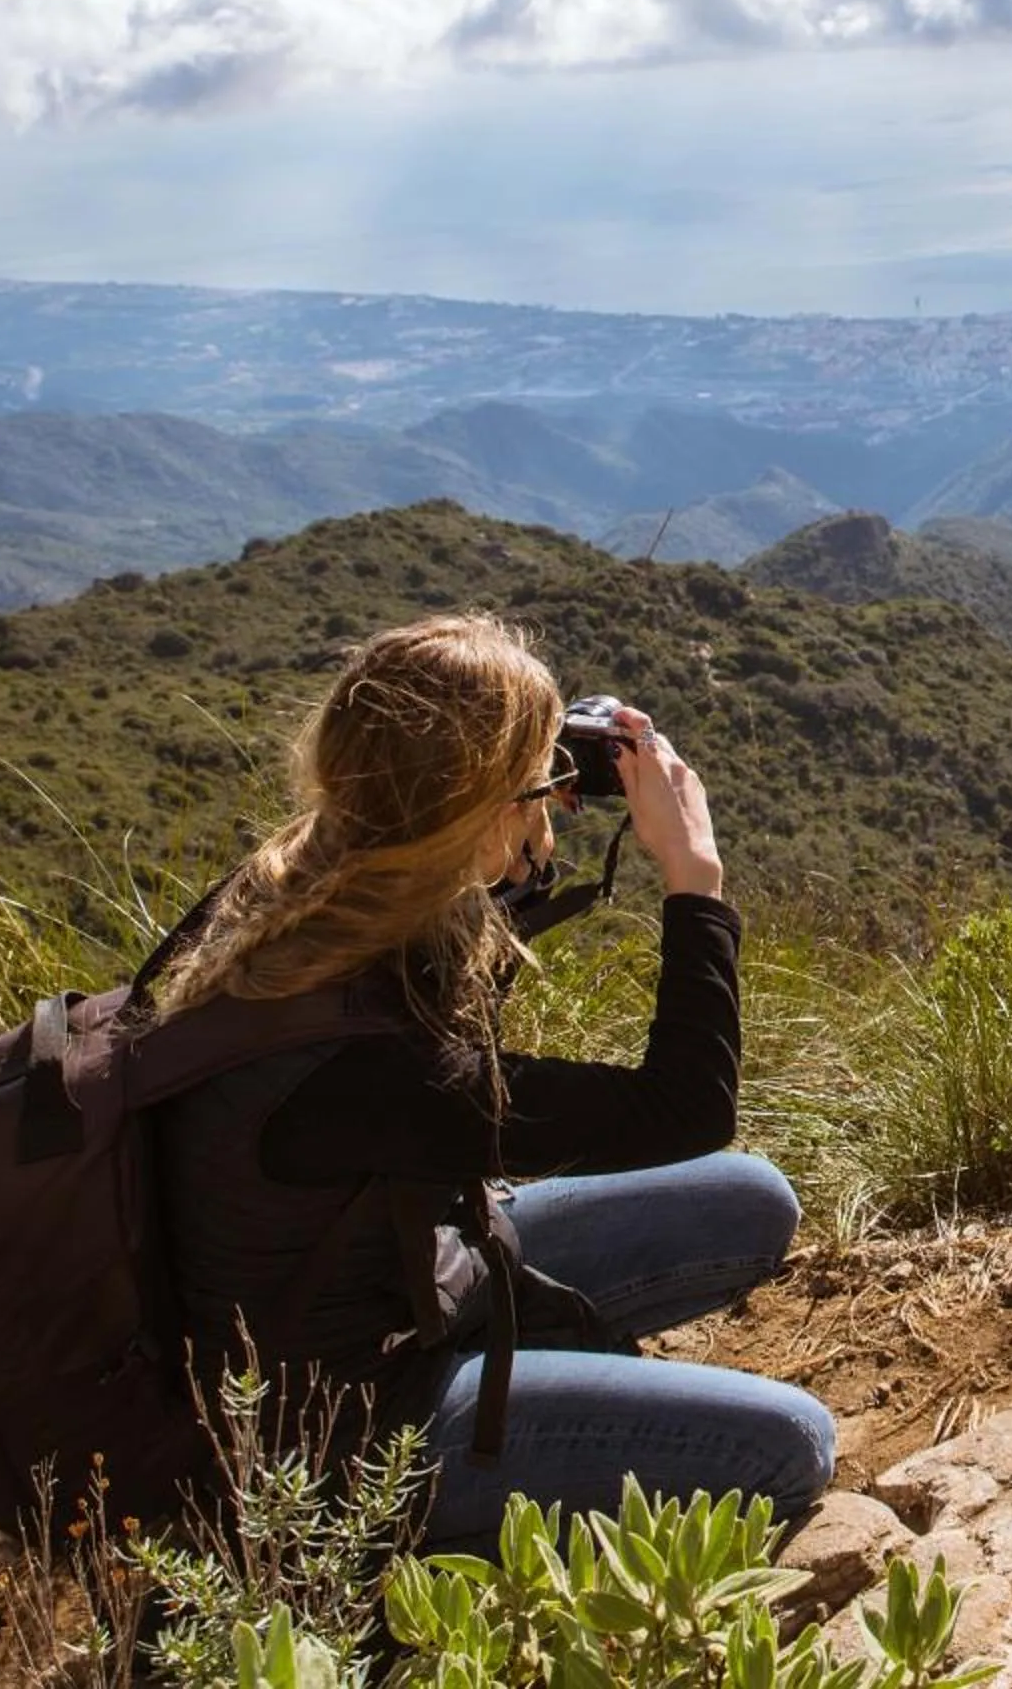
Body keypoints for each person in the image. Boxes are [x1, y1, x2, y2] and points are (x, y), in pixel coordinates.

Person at [137, 611, 834, 1549]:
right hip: (351, 1431)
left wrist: (532, 810)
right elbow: (685, 1108)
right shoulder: (372, 1072)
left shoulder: (288, 887)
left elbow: (446, 940)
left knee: (752, 1198)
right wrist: (693, 880)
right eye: (534, 782)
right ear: (472, 811)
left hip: (413, 1268)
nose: (548, 795)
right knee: (790, 1445)